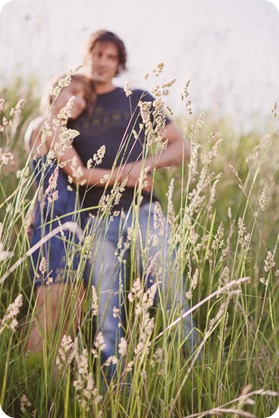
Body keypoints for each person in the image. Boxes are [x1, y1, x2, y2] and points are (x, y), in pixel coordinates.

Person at [68, 30, 197, 378]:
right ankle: (114, 391)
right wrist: (121, 175)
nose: (102, 62)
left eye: (110, 57)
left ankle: (197, 374)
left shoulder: (137, 98)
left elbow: (180, 147)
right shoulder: (76, 106)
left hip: (143, 211)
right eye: (97, 54)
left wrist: (144, 165)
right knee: (107, 310)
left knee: (171, 292)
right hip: (95, 220)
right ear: (88, 56)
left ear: (118, 64)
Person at [24, 72, 122, 355]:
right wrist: (129, 176)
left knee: (72, 315)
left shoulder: (59, 131)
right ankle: (29, 388)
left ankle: (53, 389)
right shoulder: (47, 124)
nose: (79, 102)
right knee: (49, 316)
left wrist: (33, 210)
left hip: (70, 228)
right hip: (55, 228)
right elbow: (78, 174)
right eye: (73, 93)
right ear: (55, 91)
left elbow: (44, 183)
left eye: (85, 99)